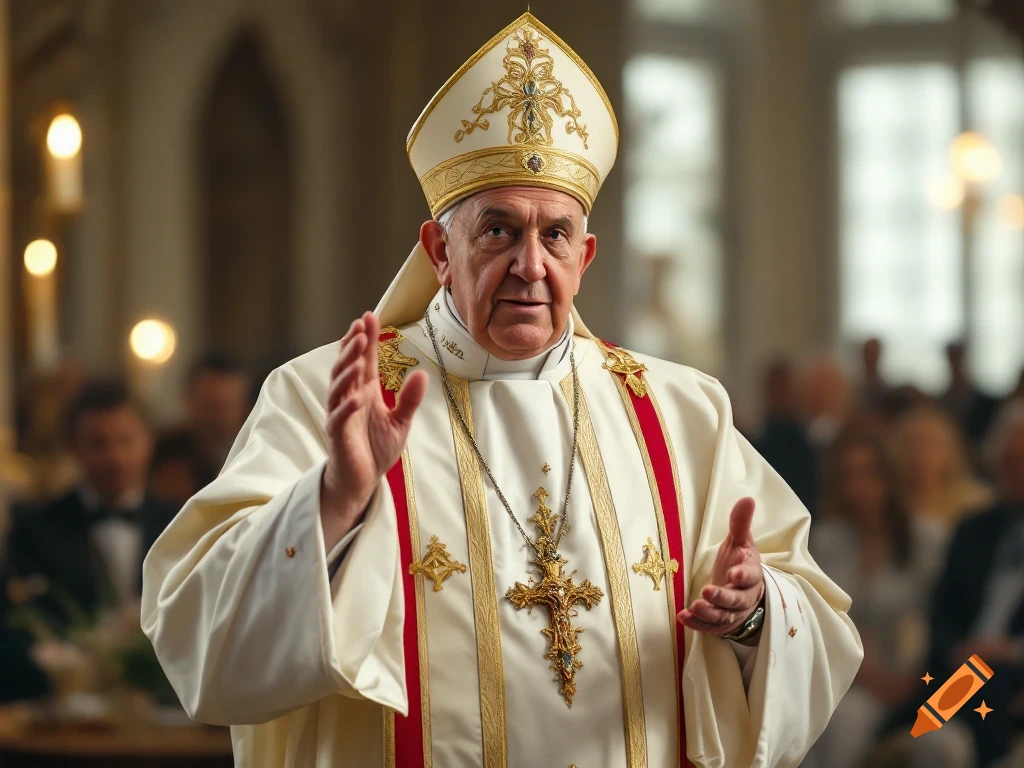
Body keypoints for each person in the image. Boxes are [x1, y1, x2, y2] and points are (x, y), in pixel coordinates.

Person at [142, 13, 862, 767]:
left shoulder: (683, 412)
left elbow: (820, 628)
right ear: (437, 250)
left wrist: (752, 616)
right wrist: (334, 500)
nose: (529, 264)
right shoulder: (323, 396)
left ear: (584, 255)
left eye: (554, 235)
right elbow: (196, 630)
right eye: (497, 231)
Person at [1, 379, 176, 699]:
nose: (115, 458)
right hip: (64, 711)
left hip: (170, 708)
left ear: (149, 441)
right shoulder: (34, 529)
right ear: (73, 447)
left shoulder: (180, 523)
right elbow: (19, 628)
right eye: (99, 444)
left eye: (126, 441)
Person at [872, 403, 1024, 767]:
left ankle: (910, 726)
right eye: (1008, 461)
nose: (1015, 473)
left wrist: (1009, 651)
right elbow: (942, 611)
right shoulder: (975, 529)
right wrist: (958, 649)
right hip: (964, 669)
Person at [804, 427, 941, 768]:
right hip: (842, 674)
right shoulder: (824, 541)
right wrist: (860, 668)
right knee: (839, 717)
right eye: (847, 476)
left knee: (940, 741)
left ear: (889, 478)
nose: (857, 488)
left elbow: (934, 622)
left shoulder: (926, 541)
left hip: (911, 678)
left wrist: (905, 678)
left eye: (867, 474)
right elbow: (816, 621)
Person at [893, 405, 992, 555]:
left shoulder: (977, 502)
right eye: (913, 445)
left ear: (951, 451)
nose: (921, 455)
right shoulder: (889, 498)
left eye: (932, 445)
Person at [752, 359, 817, 510]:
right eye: (776, 388)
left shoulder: (807, 443)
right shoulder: (756, 442)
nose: (781, 394)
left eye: (785, 387)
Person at [184, 354, 251, 486]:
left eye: (227, 405)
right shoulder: (168, 459)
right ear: (189, 400)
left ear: (245, 406)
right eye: (209, 404)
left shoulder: (257, 454)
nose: (218, 416)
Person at [941, 342, 1001, 449]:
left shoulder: (985, 402)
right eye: (952, 358)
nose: (955, 363)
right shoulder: (943, 400)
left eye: (958, 358)